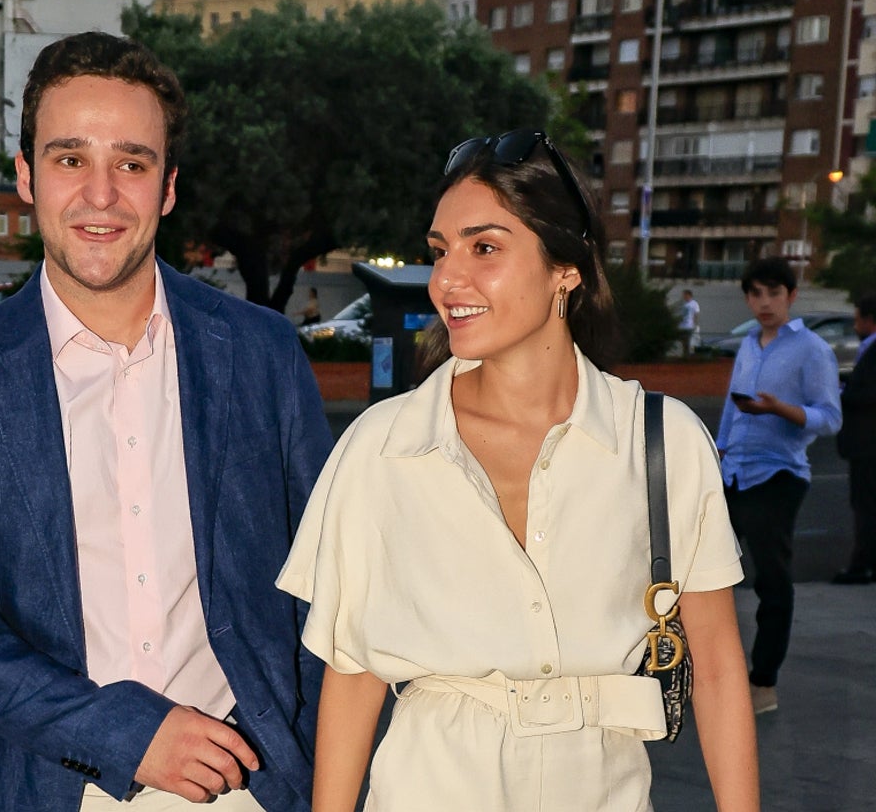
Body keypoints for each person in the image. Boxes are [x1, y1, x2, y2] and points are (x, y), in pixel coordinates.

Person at [0, 32, 334, 812]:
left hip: (251, 785)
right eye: (69, 159)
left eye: (131, 162)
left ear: (167, 188)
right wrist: (123, 734)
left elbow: (329, 590)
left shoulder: (261, 356)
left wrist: (324, 779)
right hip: (41, 781)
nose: (101, 195)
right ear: (26, 177)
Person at [277, 129, 759, 811]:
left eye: (485, 248)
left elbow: (713, 666)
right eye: (440, 252)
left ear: (566, 269)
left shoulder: (661, 441)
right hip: (429, 785)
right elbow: (353, 672)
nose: (448, 278)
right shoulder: (382, 448)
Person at [716, 256, 841, 715]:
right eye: (755, 294)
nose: (764, 303)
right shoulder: (749, 344)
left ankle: (762, 684)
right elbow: (732, 410)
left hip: (779, 475)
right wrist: (719, 451)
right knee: (705, 574)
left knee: (771, 581)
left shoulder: (811, 349)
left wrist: (779, 410)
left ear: (791, 296)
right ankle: (704, 673)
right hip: (734, 473)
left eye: (773, 293)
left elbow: (830, 417)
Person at [832, 293, 876, 585]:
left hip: (868, 445)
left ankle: (862, 566)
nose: (855, 324)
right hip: (866, 444)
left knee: (866, 507)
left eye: (858, 318)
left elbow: (869, 395)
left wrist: (840, 395)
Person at [678, 288, 700, 358]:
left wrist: (695, 325)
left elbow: (696, 314)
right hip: (682, 326)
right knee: (683, 342)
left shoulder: (694, 304)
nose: (683, 296)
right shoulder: (684, 304)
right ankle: (684, 355)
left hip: (689, 326)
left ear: (689, 295)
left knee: (688, 342)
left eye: (685, 295)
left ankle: (687, 356)